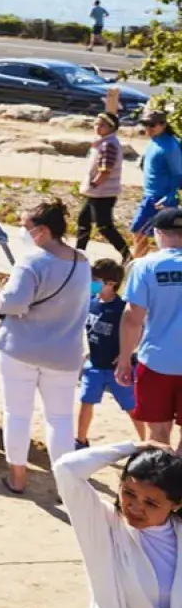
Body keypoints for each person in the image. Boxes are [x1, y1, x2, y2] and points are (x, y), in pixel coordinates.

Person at [0, 198, 90, 494]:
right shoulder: (81, 261)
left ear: (42, 230)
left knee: (17, 413)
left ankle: (17, 477)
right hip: (65, 352)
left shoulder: (32, 260)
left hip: (21, 347)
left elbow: (15, 302)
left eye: (25, 226)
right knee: (60, 419)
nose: (22, 231)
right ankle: (64, 484)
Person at [52, 442, 182, 608]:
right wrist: (133, 447)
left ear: (176, 504)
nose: (135, 507)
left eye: (151, 503)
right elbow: (66, 469)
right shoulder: (104, 527)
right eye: (129, 493)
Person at [119, 209, 182, 447]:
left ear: (158, 233)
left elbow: (132, 319)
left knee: (157, 438)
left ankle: (162, 484)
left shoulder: (145, 266)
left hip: (156, 361)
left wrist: (125, 359)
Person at [78, 257, 143, 450]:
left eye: (96, 280)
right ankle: (80, 440)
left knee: (131, 407)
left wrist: (126, 353)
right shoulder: (90, 302)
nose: (91, 284)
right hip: (95, 365)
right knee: (86, 402)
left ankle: (145, 442)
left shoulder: (121, 308)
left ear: (111, 284)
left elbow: (139, 329)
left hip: (117, 369)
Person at [80, 112, 133, 259]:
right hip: (96, 192)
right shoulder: (103, 142)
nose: (97, 127)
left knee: (104, 227)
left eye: (102, 125)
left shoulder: (109, 144)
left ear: (111, 127)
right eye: (96, 124)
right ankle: (79, 254)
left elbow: (105, 170)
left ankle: (126, 254)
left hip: (102, 193)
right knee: (83, 222)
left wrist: (93, 184)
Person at [133, 112, 182, 256]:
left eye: (152, 125)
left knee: (140, 232)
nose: (148, 128)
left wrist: (169, 197)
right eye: (145, 124)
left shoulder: (170, 147)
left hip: (159, 199)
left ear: (163, 125)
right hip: (150, 196)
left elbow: (178, 175)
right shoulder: (154, 140)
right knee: (156, 236)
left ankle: (137, 266)